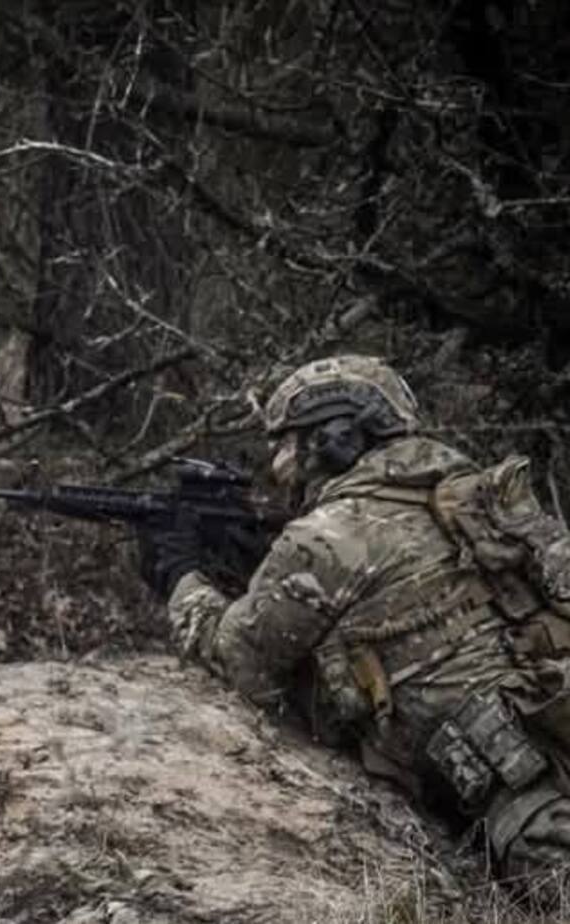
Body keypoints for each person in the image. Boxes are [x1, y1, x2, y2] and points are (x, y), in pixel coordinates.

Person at [143, 354, 570, 894]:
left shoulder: (329, 535)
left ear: (335, 438)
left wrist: (180, 575)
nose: (277, 462)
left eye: (287, 442)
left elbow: (240, 662)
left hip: (531, 803)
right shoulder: (471, 492)